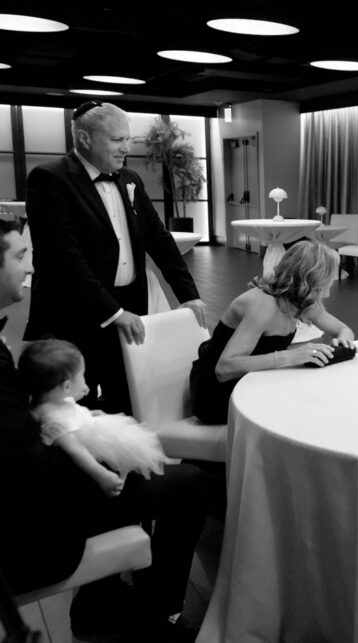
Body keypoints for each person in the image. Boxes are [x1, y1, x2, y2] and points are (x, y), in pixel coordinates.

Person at [0, 219, 212, 641]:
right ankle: (154, 617)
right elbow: (19, 456)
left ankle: (101, 604)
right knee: (192, 484)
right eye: (20, 256)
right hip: (28, 525)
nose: (29, 268)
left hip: (32, 484)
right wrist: (93, 456)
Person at [25, 100, 208, 415]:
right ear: (84, 139)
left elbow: (159, 240)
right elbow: (64, 259)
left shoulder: (130, 179)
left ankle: (124, 461)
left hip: (128, 309)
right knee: (75, 406)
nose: (126, 148)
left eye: (128, 139)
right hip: (74, 313)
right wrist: (113, 311)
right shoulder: (50, 179)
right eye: (117, 140)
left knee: (126, 398)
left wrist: (189, 296)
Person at [190, 241, 355, 425]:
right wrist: (292, 356)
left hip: (253, 382)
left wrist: (342, 343)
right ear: (312, 281)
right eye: (329, 280)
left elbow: (344, 330)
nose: (330, 287)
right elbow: (224, 369)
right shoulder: (264, 305)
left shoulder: (301, 301)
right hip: (217, 394)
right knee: (306, 410)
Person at [19, 339, 169, 492]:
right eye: (82, 375)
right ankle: (124, 481)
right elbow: (77, 451)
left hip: (93, 426)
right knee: (125, 457)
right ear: (66, 386)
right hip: (95, 448)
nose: (85, 381)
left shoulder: (51, 401)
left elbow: (69, 407)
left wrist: (84, 408)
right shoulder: (53, 422)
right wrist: (102, 476)